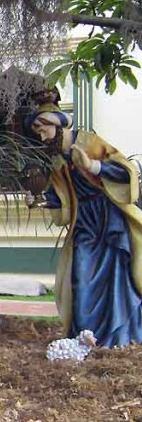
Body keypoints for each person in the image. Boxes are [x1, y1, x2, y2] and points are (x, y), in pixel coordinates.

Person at [28, 102, 142, 348]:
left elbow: (127, 172)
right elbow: (58, 196)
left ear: (58, 125)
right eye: (39, 133)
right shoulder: (58, 161)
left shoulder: (89, 142)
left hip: (108, 217)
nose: (43, 138)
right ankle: (81, 336)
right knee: (80, 277)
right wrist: (38, 200)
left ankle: (116, 337)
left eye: (44, 131)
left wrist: (92, 166)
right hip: (84, 222)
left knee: (116, 276)